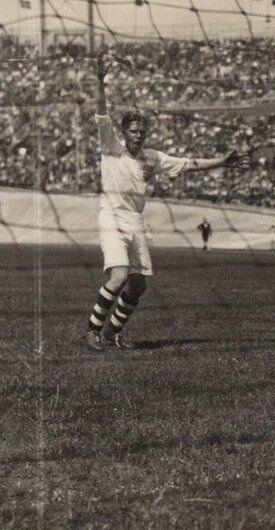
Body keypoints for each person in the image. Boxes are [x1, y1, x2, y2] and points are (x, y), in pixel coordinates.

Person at [82, 50, 249, 352]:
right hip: (112, 217)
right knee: (119, 276)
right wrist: (100, 81)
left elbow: (189, 164)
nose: (138, 135)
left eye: (142, 131)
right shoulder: (111, 146)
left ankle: (111, 333)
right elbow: (102, 113)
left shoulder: (152, 157)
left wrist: (221, 162)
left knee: (138, 285)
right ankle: (92, 331)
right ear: (124, 132)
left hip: (135, 221)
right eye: (134, 131)